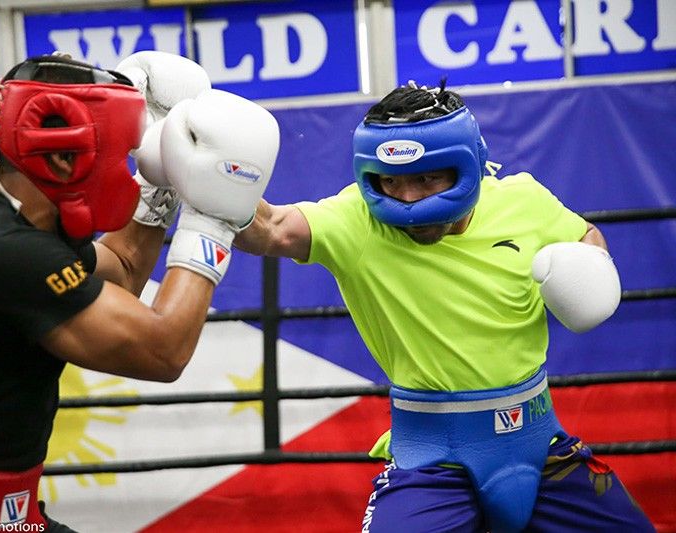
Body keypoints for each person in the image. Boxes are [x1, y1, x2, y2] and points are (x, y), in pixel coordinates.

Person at [0, 52, 279, 530]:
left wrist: (163, 184)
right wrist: (213, 216)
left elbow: (125, 270)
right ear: (66, 157)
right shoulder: (5, 250)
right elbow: (164, 350)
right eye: (122, 155)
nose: (129, 167)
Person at [234, 81, 654, 532]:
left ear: (467, 164)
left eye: (427, 178)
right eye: (390, 181)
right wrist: (205, 178)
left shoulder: (523, 200)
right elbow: (270, 228)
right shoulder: (357, 219)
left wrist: (593, 264)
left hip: (541, 445)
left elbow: (584, 233)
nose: (408, 199)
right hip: (432, 462)